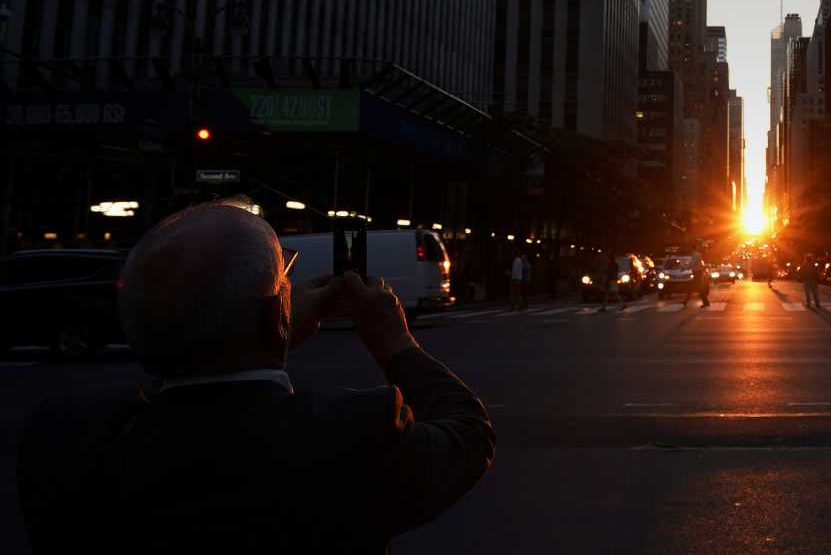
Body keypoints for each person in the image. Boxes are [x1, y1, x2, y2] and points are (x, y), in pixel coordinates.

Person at [17, 203, 494, 555]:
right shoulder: (350, 435)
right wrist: (395, 343)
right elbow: (469, 436)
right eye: (285, 279)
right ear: (276, 319)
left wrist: (272, 331)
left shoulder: (65, 441)